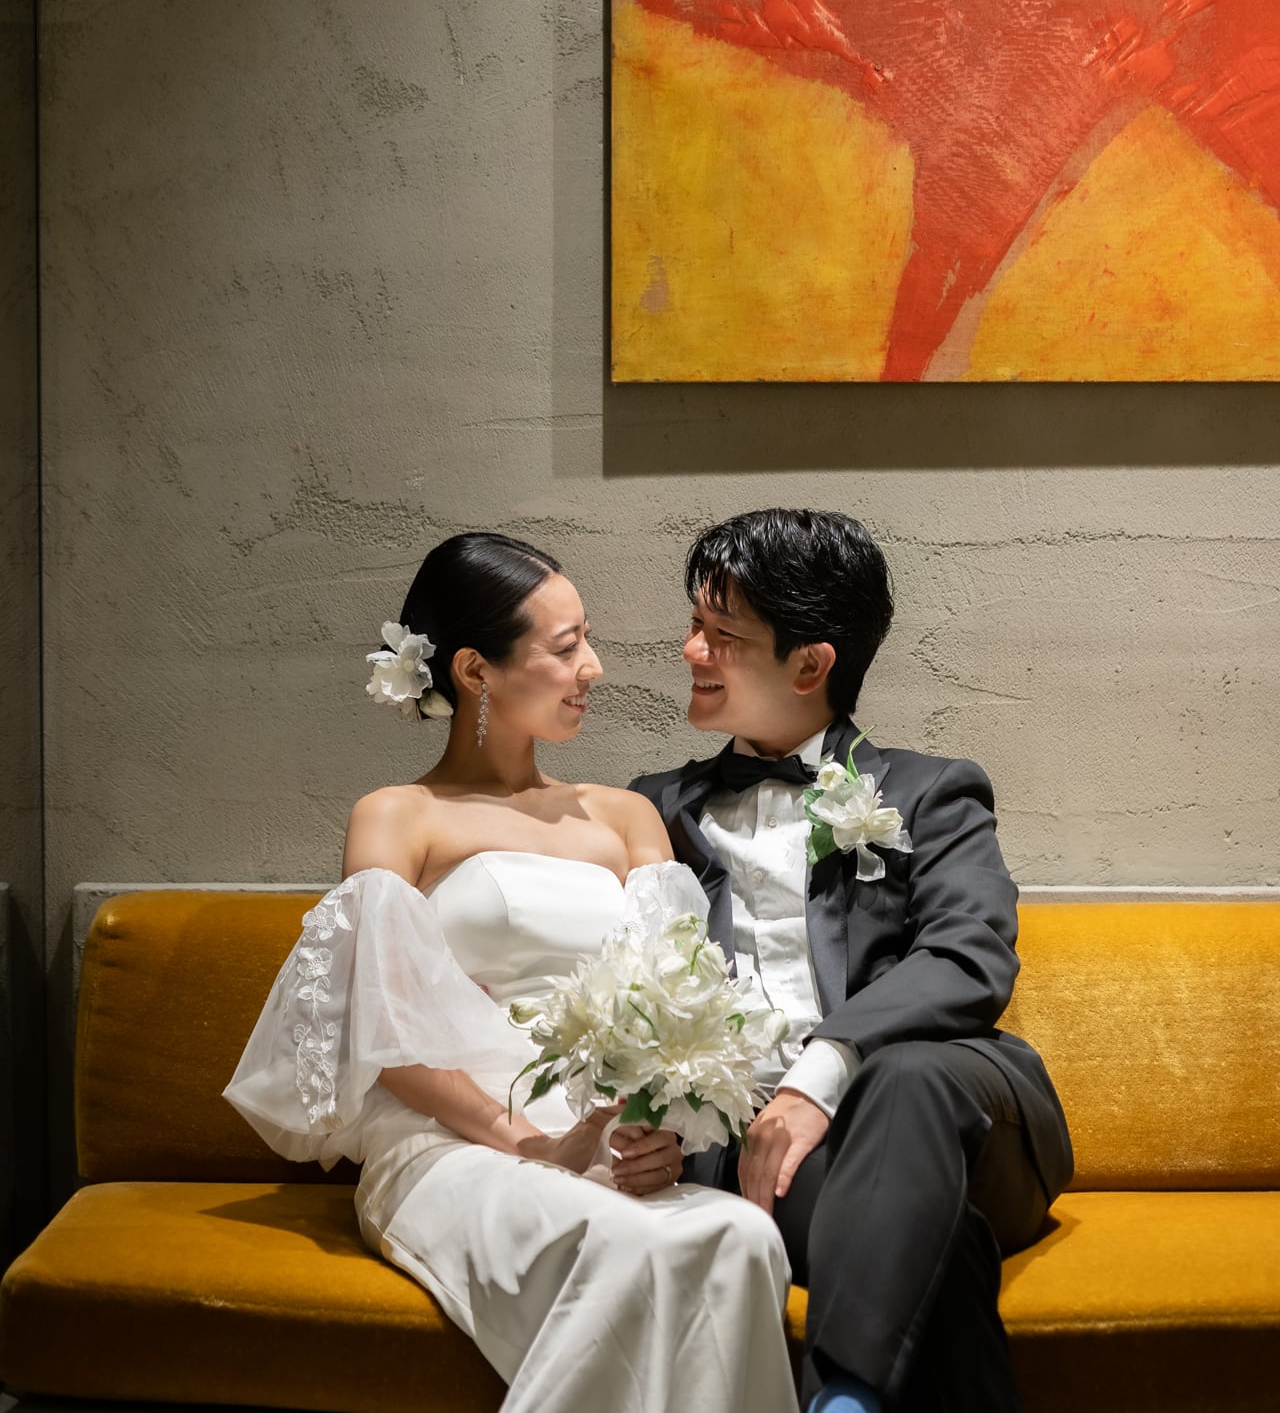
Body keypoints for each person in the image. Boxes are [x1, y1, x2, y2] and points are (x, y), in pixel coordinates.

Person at [224, 530, 799, 1413]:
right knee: (634, 1250)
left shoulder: (625, 818)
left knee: (744, 1238)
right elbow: (384, 1031)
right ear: (473, 670)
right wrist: (528, 1142)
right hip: (450, 1144)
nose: (593, 668)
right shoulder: (398, 817)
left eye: (586, 639)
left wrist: (658, 1132)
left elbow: (676, 1008)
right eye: (565, 648)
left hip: (597, 1142)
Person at [632, 508, 1073, 1413]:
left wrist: (821, 1072)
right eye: (694, 625)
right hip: (755, 1148)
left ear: (810, 664)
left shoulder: (930, 790)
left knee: (904, 1078)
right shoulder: (653, 810)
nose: (690, 650)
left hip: (959, 1120)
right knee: (936, 1243)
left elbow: (968, 954)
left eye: (721, 634)